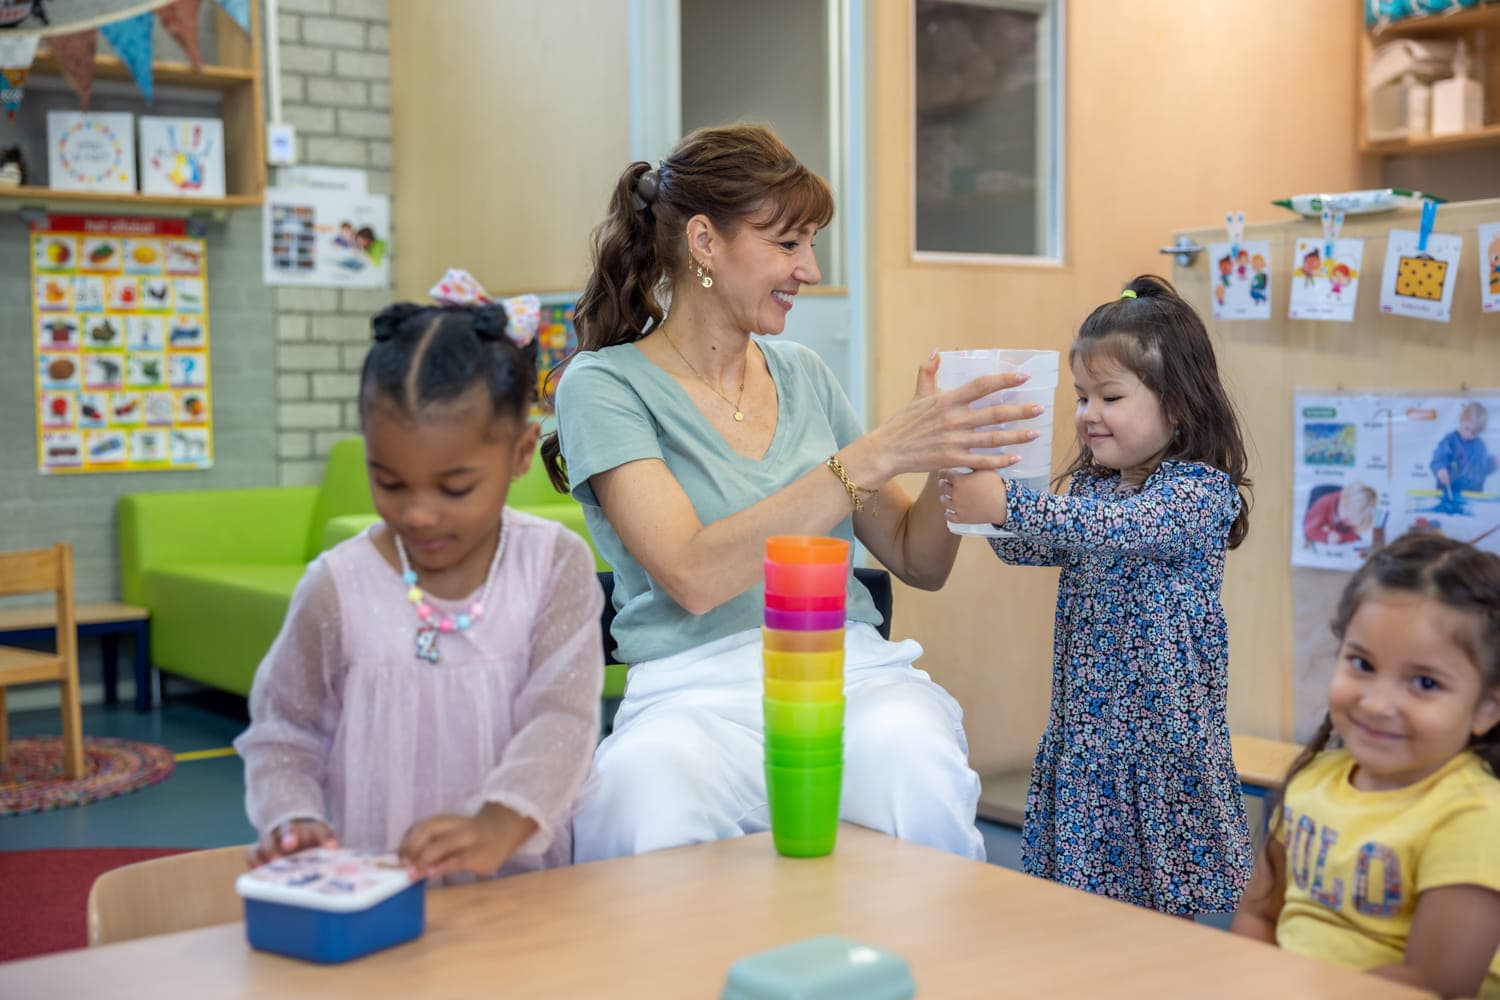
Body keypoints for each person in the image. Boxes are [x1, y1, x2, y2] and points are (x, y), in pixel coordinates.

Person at [543, 123, 1041, 863]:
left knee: (916, 765)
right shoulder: (604, 385)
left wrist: (947, 452)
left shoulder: (804, 372)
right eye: (787, 244)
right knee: (639, 799)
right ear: (705, 242)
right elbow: (693, 574)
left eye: (811, 244)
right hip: (696, 690)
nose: (808, 269)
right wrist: (874, 454)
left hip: (844, 673)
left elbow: (917, 559)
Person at [235, 285, 603, 881]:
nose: (419, 514)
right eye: (389, 482)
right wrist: (292, 819)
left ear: (520, 453)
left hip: (520, 897)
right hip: (377, 894)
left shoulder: (553, 565)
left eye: (454, 487)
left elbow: (562, 720)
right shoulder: (337, 586)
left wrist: (497, 824)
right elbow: (283, 732)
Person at [943, 275, 1254, 917]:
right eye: (1083, 397)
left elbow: (1118, 530)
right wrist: (991, 499)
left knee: (1159, 914)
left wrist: (1012, 504)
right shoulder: (1094, 491)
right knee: (1083, 911)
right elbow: (1032, 544)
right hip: (1089, 736)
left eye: (1110, 396)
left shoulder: (1196, 491)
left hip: (1161, 741)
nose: (1087, 415)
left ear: (1177, 405)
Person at [1231, 534, 1500, 998]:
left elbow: (1437, 983)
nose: (1377, 704)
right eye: (1362, 663)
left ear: (1485, 709)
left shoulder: (1474, 818)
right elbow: (1258, 914)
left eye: (1424, 682)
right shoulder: (1314, 780)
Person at [1430, 400, 1495, 497]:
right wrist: (1440, 469)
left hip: (1472, 496)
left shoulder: (1479, 445)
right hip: (1449, 493)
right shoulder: (1450, 440)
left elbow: (1482, 467)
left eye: (1474, 433)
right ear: (1461, 420)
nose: (1469, 435)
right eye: (1467, 428)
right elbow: (1439, 457)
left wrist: (1493, 462)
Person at [1303, 481, 1377, 546]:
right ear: (1343, 500)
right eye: (1348, 512)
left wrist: (1342, 537)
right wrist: (1326, 536)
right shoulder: (1322, 504)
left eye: (1353, 518)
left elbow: (1354, 536)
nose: (1348, 519)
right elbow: (1308, 530)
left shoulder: (1357, 518)